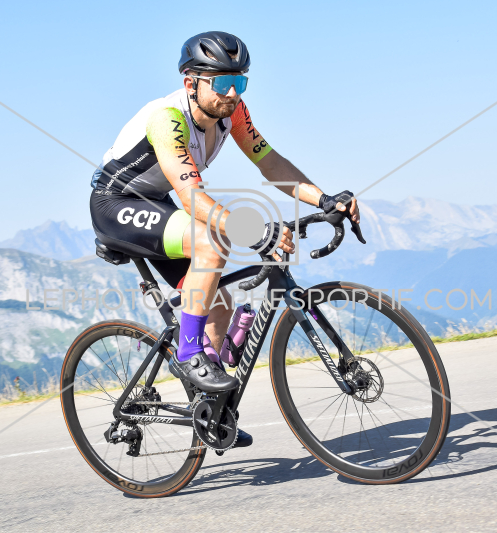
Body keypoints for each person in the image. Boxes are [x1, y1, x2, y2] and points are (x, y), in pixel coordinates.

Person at [90, 31, 360, 446]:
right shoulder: (167, 119)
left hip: (156, 203)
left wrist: (323, 199)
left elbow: (270, 162)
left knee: (218, 305)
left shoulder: (232, 112)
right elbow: (191, 197)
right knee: (211, 242)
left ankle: (211, 415)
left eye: (240, 81)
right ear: (191, 83)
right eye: (222, 83)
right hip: (115, 204)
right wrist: (254, 232)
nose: (233, 93)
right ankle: (188, 353)